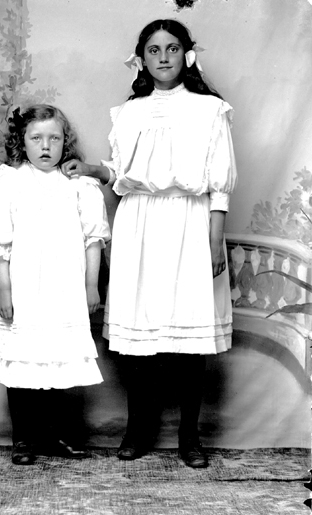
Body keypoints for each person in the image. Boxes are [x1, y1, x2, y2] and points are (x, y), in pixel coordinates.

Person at [62, 19, 237, 468]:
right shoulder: (130, 112)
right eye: (154, 49)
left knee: (189, 338)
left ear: (187, 55)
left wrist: (214, 240)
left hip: (189, 221)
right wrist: (92, 169)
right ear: (141, 59)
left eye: (172, 48)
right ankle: (137, 430)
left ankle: (189, 438)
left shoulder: (210, 109)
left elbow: (219, 183)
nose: (163, 57)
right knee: (139, 339)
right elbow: (122, 174)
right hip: (139, 222)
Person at [0, 104, 111, 465]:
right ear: (22, 142)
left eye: (54, 138)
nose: (46, 146)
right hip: (23, 286)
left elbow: (93, 240)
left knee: (58, 361)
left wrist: (91, 286)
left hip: (64, 288)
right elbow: (0, 244)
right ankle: (23, 439)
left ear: (65, 142)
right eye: (36, 138)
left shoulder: (80, 184)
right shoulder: (9, 181)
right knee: (22, 362)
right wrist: (6, 290)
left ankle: (55, 436)